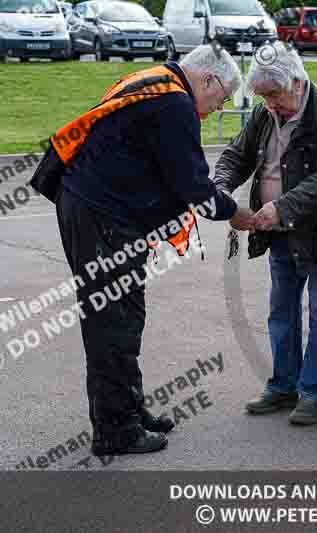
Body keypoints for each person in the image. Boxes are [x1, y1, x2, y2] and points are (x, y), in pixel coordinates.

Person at [45, 45, 250, 455]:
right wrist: (234, 212)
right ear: (208, 80)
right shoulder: (174, 103)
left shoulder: (157, 80)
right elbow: (192, 186)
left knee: (127, 314)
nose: (215, 108)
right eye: (222, 97)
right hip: (101, 214)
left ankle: (129, 408)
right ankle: (114, 430)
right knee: (112, 322)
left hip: (97, 208)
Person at [213, 42, 317, 426]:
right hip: (280, 234)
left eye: (274, 95)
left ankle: (313, 394)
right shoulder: (266, 114)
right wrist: (222, 189)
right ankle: (283, 386)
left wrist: (281, 206)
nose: (269, 105)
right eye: (262, 97)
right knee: (282, 313)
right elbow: (236, 154)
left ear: (297, 83)